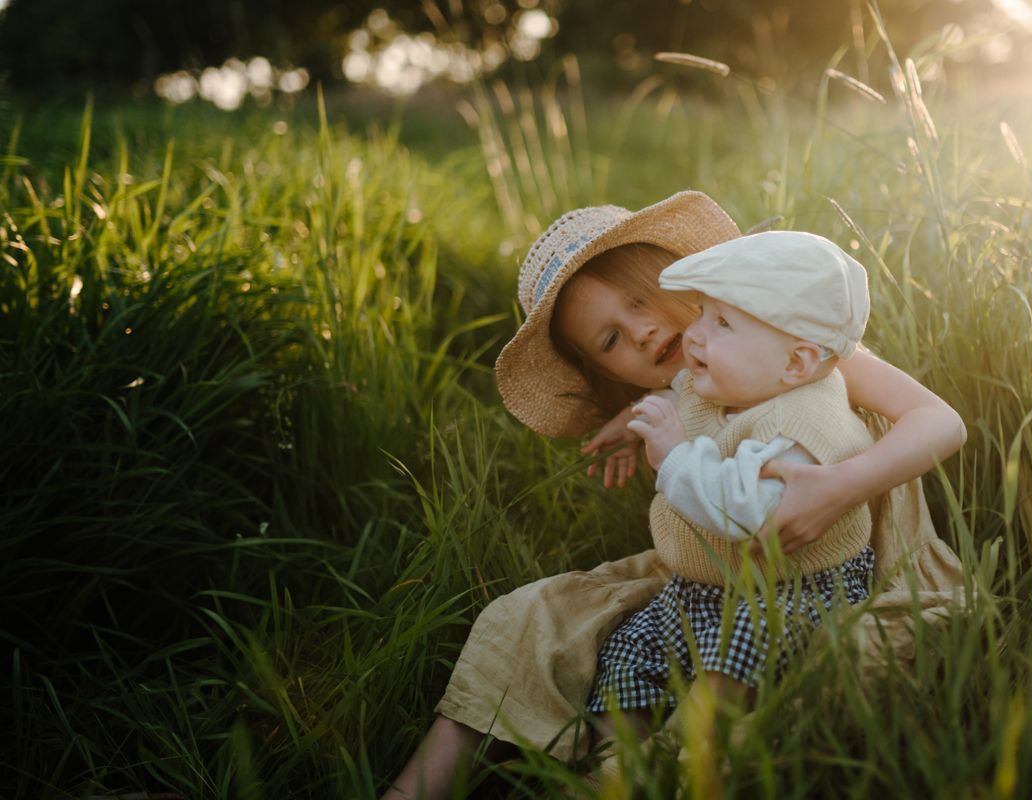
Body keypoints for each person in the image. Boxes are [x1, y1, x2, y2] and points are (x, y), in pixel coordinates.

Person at [381, 192, 966, 800]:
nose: (640, 333)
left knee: (753, 672)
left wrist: (843, 486)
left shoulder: (800, 343)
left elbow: (942, 421)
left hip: (834, 562)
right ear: (607, 372)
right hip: (715, 566)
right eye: (611, 340)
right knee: (536, 616)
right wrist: (646, 413)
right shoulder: (695, 384)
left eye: (640, 300)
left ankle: (641, 769)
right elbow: (689, 395)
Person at [586, 229, 877, 729]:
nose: (695, 334)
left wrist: (675, 456)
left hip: (792, 588)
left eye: (721, 322)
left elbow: (746, 512)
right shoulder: (735, 383)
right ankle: (613, 752)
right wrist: (644, 412)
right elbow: (685, 393)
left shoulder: (799, 429)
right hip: (704, 585)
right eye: (701, 311)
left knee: (738, 653)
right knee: (629, 651)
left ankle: (684, 751)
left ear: (797, 362)